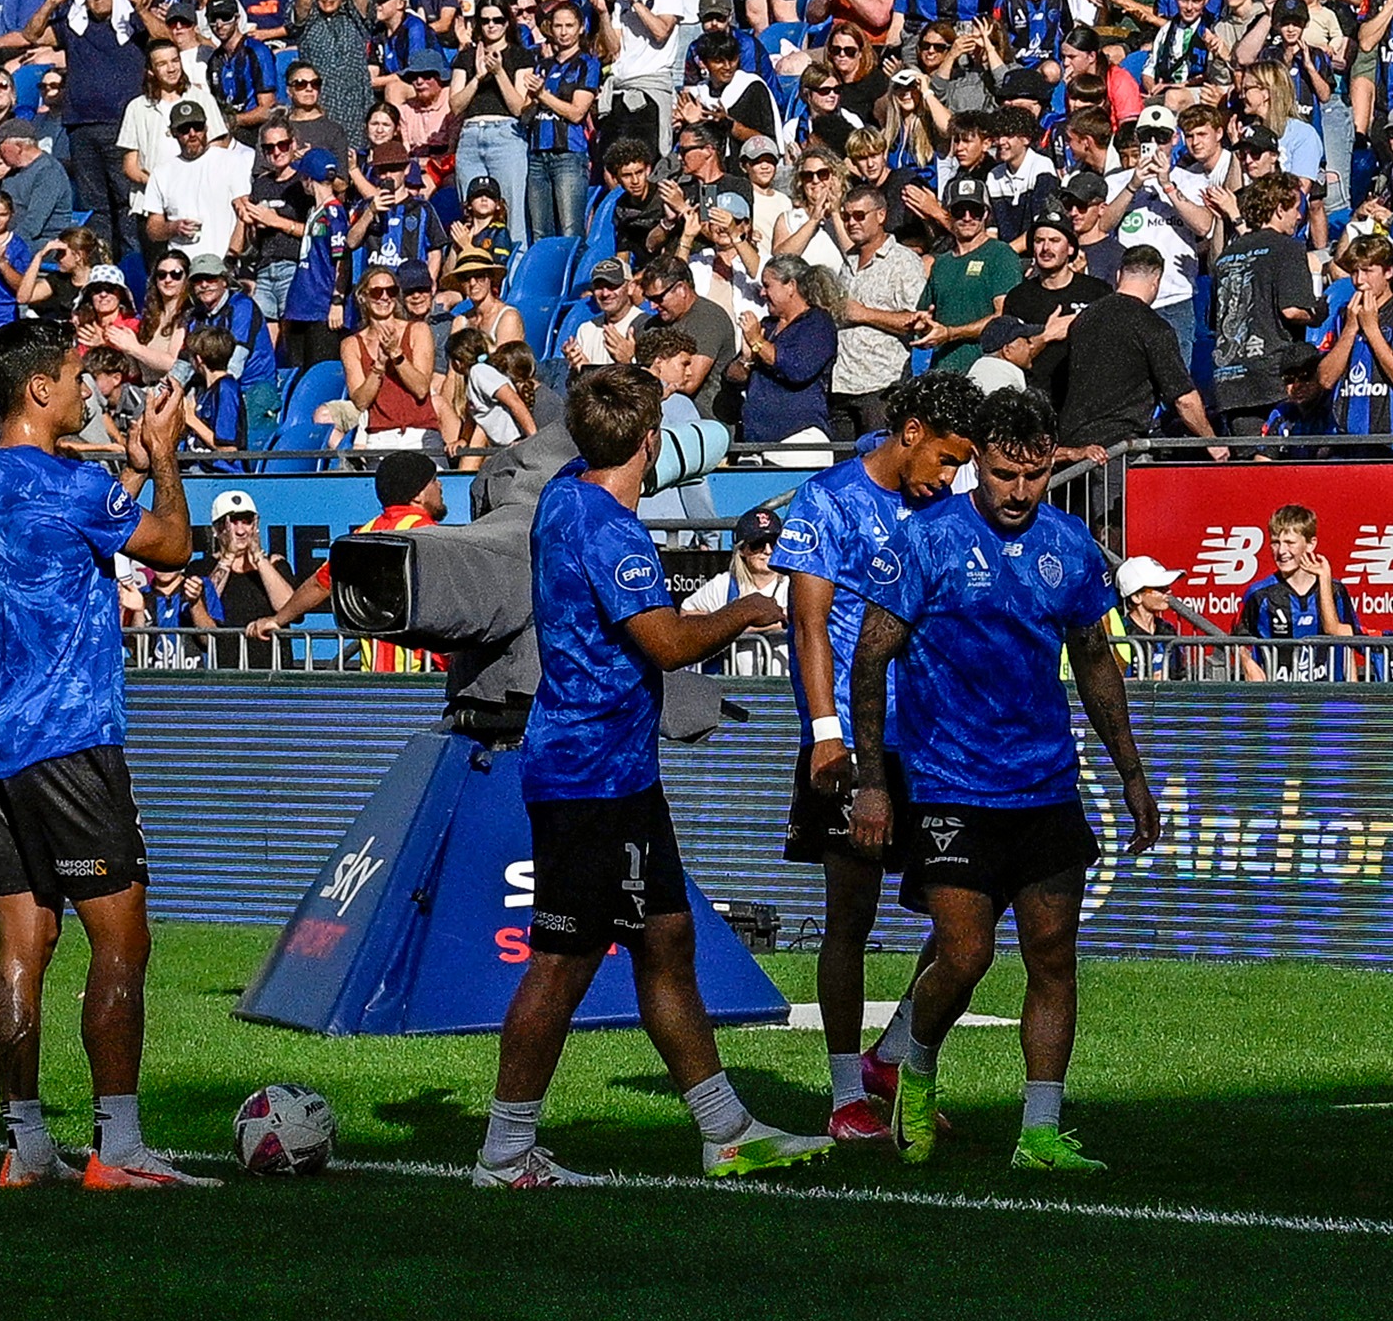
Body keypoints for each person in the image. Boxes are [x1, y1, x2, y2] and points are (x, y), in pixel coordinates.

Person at [476, 365, 827, 1186]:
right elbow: (667, 644)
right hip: (590, 777)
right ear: (653, 442)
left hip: (614, 773)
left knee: (667, 938)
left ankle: (725, 1128)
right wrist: (748, 604)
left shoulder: (562, 491)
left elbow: (591, 440)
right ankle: (504, 1148)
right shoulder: (612, 532)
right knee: (561, 961)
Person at [843, 385, 1167, 1169]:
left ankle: (1042, 1132)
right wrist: (873, 780)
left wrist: (1131, 772)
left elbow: (1095, 661)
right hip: (952, 784)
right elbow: (870, 658)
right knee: (965, 954)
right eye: (1001, 475)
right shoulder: (925, 541)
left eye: (1033, 476)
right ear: (975, 466)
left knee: (1054, 957)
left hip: (1046, 784)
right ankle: (911, 1070)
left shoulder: (1071, 545)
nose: (1018, 493)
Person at [0, 329, 200, 1187]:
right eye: (72, 380)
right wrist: (162, 458)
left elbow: (63, 549)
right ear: (36, 392)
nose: (86, 392)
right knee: (121, 942)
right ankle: (120, 1149)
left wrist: (122, 477)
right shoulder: (67, 481)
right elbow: (171, 548)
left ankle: (24, 1149)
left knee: (22, 949)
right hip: (70, 739)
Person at [769, 373, 987, 1149]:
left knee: (967, 916)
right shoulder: (827, 502)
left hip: (939, 743)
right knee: (849, 918)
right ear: (912, 431)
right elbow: (809, 625)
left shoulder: (949, 509)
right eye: (949, 458)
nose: (952, 476)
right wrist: (828, 731)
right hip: (858, 741)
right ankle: (842, 1095)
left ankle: (892, 1055)